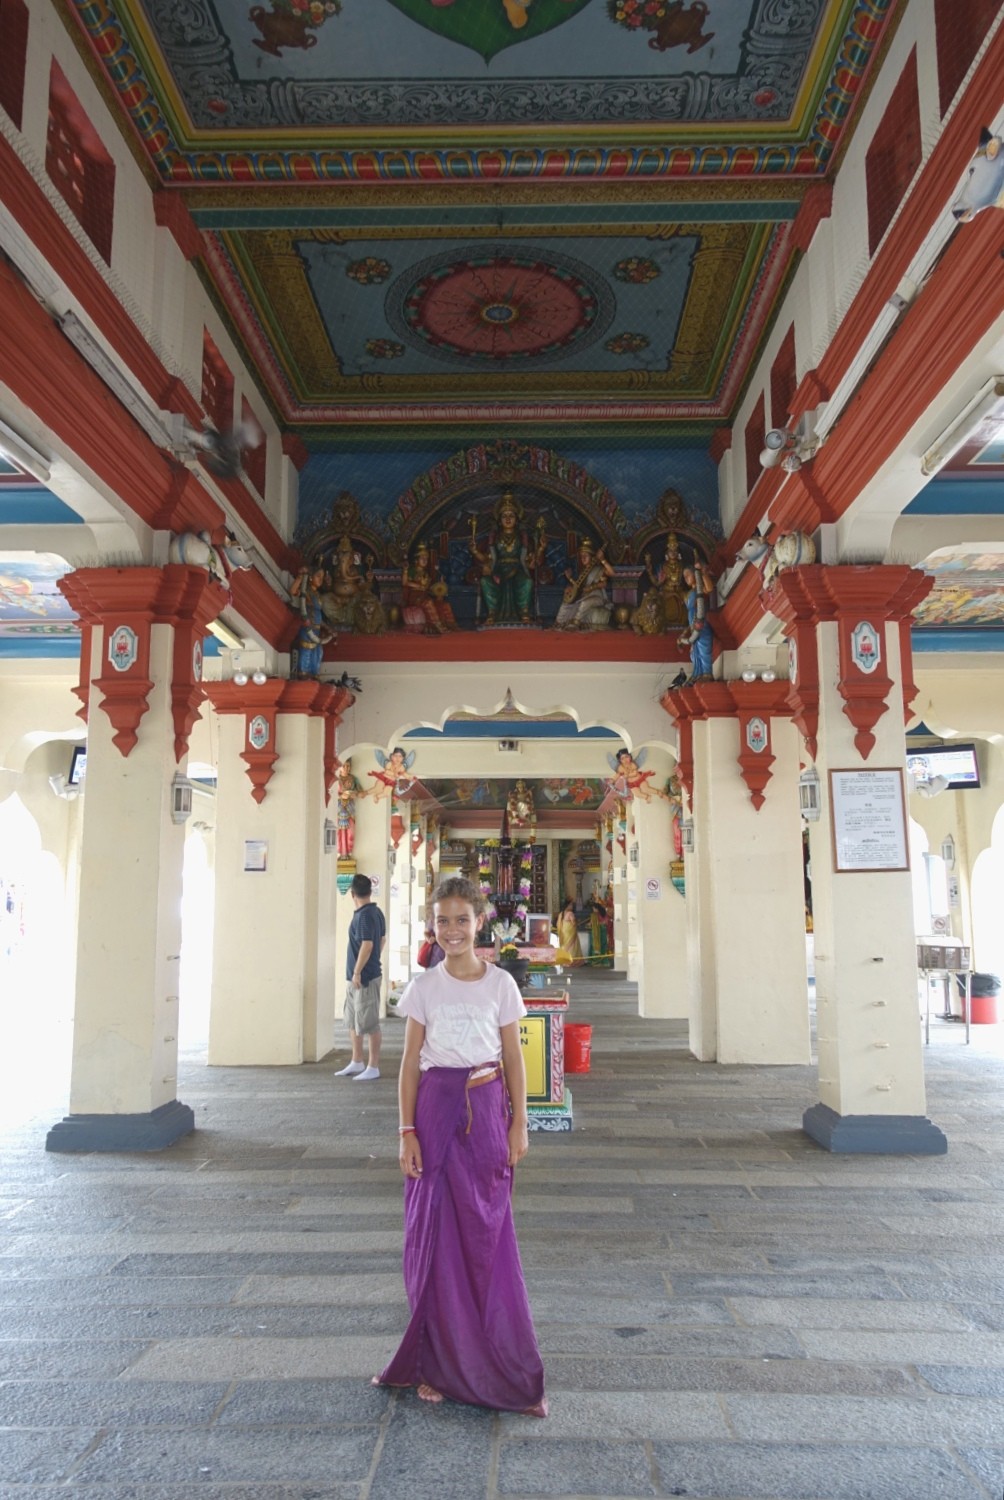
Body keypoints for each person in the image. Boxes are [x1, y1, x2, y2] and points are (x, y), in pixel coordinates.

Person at [374, 875, 546, 1416]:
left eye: (462, 920)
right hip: (434, 1110)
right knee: (433, 1237)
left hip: (487, 1110)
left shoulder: (501, 985)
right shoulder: (423, 988)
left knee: (484, 1232)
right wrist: (406, 1131)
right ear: (432, 926)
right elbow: (409, 1063)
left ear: (480, 922)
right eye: (443, 920)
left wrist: (520, 1122)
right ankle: (437, 1362)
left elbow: (513, 1057)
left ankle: (490, 1355)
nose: (452, 930)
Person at [335, 873, 386, 1081]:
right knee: (352, 1020)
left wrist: (358, 971)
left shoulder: (364, 915)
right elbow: (382, 940)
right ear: (369, 891)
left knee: (369, 1023)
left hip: (364, 977)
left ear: (352, 894)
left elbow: (368, 944)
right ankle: (357, 1061)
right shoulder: (376, 912)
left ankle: (373, 1066)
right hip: (357, 976)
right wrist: (370, 961)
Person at [469, 491, 547, 626]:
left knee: (527, 582)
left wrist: (541, 548)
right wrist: (475, 551)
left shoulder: (523, 538)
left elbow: (531, 561)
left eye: (511, 515)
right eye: (504, 516)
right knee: (485, 581)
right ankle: (492, 613)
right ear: (499, 520)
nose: (508, 519)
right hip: (498, 569)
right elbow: (487, 559)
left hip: (518, 569)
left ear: (517, 519)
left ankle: (524, 612)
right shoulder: (494, 537)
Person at [554, 537, 614, 630]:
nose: (583, 558)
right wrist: (570, 579)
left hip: (597, 596)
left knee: (584, 603)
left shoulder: (598, 569)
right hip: (584, 595)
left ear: (592, 556)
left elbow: (610, 575)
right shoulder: (583, 572)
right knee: (567, 604)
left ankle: (575, 623)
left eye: (586, 556)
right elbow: (578, 586)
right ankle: (559, 623)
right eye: (581, 556)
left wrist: (603, 560)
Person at [401, 541, 458, 634]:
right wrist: (406, 572)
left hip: (425, 595)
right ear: (416, 560)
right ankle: (437, 625)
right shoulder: (412, 570)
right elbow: (404, 583)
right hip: (415, 596)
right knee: (428, 603)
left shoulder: (426, 573)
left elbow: (429, 588)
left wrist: (439, 587)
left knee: (444, 604)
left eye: (426, 559)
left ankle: (451, 624)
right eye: (422, 558)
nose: (424, 560)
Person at [678, 562, 715, 680]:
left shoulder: (699, 589)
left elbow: (709, 588)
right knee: (695, 652)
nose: (686, 579)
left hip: (702, 622)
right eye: (684, 577)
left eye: (688, 575)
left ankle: (707, 673)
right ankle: (698, 674)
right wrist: (685, 633)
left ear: (695, 574)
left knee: (704, 646)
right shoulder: (689, 594)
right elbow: (691, 619)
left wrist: (702, 573)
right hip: (693, 626)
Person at [555, 899, 582, 963]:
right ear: (567, 905)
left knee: (564, 944)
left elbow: (557, 924)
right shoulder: (570, 913)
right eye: (571, 905)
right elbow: (573, 923)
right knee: (572, 945)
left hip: (564, 931)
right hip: (570, 932)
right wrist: (577, 922)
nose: (572, 906)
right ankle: (571, 960)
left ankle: (564, 959)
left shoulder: (561, 914)